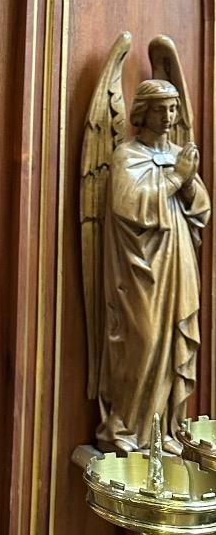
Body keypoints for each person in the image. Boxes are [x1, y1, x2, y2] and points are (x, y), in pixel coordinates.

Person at [96, 79, 211, 452]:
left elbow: (202, 209)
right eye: (160, 109)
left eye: (173, 109)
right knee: (143, 342)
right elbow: (128, 205)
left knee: (174, 340)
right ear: (143, 112)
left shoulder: (179, 154)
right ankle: (123, 428)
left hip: (177, 258)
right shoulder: (128, 155)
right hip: (140, 267)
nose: (168, 116)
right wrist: (177, 177)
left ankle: (163, 431)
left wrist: (188, 182)